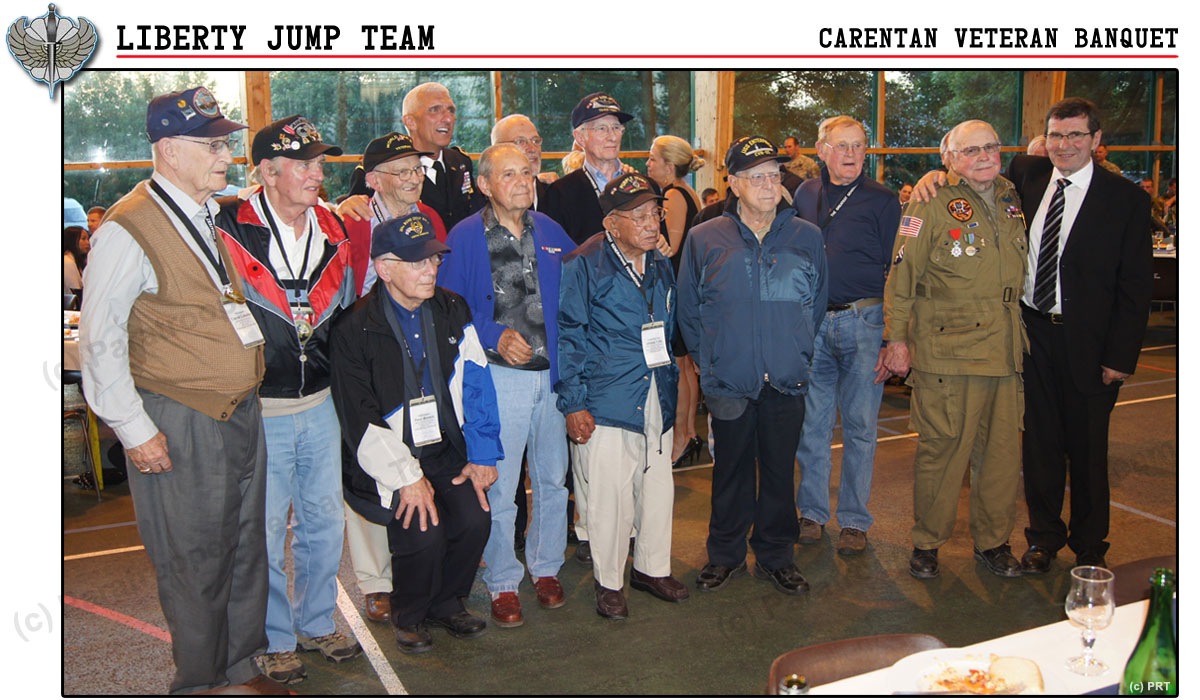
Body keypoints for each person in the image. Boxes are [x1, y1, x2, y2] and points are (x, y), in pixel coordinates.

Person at [79, 86, 278, 694]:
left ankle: (242, 668)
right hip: (181, 417)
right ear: (168, 150)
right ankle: (199, 684)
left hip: (238, 414)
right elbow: (99, 338)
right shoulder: (129, 226)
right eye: (211, 143)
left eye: (224, 141)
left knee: (246, 551)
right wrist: (135, 430)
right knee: (195, 562)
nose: (226, 154)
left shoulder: (200, 213)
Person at [215, 114, 361, 684]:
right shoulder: (226, 224)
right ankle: (275, 637)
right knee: (268, 527)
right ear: (268, 172)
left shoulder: (333, 227)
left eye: (320, 163)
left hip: (321, 400)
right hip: (260, 405)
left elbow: (345, 312)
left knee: (325, 521)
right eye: (304, 163)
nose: (317, 173)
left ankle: (317, 619)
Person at [331, 212, 503, 655]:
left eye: (434, 260)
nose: (431, 270)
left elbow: (477, 382)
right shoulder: (353, 328)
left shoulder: (452, 309)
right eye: (417, 262)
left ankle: (448, 603)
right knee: (422, 529)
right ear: (384, 269)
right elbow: (360, 417)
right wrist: (407, 476)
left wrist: (483, 453)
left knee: (474, 518)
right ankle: (409, 614)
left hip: (445, 447)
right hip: (388, 457)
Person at [677, 136, 827, 596]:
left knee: (781, 471)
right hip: (729, 379)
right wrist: (712, 360)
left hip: (786, 377)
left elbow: (816, 304)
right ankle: (725, 554)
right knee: (731, 472)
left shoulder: (807, 236)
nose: (769, 185)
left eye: (774, 176)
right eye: (757, 177)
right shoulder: (705, 238)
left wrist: (796, 350)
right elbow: (688, 308)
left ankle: (777, 555)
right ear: (734, 184)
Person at [1007, 98, 1151, 572]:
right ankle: (1043, 539)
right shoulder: (1026, 175)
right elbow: (966, 171)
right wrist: (934, 176)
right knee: (1040, 446)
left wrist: (1121, 356)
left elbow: (1135, 287)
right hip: (1033, 335)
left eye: (1074, 136)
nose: (1063, 145)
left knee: (1088, 449)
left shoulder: (1125, 200)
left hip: (1090, 345)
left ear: (1095, 141)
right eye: (1055, 135)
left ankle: (1090, 546)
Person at [881, 119, 1028, 581]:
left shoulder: (1011, 195)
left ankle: (993, 542)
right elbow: (901, 276)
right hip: (950, 350)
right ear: (949, 158)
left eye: (991, 147)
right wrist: (897, 340)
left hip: (1005, 350)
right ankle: (927, 543)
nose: (983, 156)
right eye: (970, 151)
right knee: (942, 452)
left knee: (1002, 456)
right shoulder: (927, 202)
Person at [437, 143, 576, 628]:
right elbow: (447, 311)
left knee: (554, 480)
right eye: (509, 174)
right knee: (501, 488)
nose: (522, 181)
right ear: (485, 185)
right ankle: (500, 580)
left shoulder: (554, 232)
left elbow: (579, 298)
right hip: (500, 379)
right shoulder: (465, 237)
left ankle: (546, 567)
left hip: (552, 381)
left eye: (527, 172)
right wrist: (494, 336)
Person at [557, 172, 688, 618]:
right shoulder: (584, 264)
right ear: (612, 224)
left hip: (655, 390)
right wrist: (573, 402)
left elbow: (668, 333)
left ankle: (652, 567)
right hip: (606, 398)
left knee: (656, 484)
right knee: (610, 495)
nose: (652, 224)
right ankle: (609, 581)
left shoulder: (661, 263)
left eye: (655, 213)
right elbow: (569, 336)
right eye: (640, 216)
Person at [792, 116, 901, 556]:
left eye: (858, 145)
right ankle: (812, 514)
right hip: (814, 324)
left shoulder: (883, 199)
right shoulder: (806, 193)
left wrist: (893, 337)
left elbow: (899, 269)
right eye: (842, 146)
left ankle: (854, 520)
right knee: (812, 427)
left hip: (865, 323)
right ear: (822, 150)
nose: (852, 153)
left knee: (860, 428)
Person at [645, 135, 705, 469]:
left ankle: (682, 437)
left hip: (680, 290)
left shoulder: (674, 195)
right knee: (685, 368)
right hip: (685, 289)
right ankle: (687, 434)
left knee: (681, 367)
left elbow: (670, 247)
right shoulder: (686, 191)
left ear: (669, 165)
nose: (648, 165)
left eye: (653, 159)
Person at [340, 132, 449, 296]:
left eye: (418, 169)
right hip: (368, 315)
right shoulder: (354, 222)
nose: (415, 179)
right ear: (375, 181)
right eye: (403, 172)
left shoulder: (430, 217)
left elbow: (444, 276)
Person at [543, 92, 636, 245]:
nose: (612, 137)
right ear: (580, 138)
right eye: (602, 129)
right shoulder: (560, 193)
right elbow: (555, 251)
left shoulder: (640, 184)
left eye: (616, 127)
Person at [402, 82, 485, 231]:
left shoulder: (460, 162)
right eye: (435, 110)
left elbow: (475, 213)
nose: (448, 119)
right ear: (411, 122)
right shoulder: (388, 171)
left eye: (451, 111)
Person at [491, 114, 550, 210]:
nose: (532, 149)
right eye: (520, 141)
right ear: (497, 149)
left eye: (535, 141)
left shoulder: (556, 195)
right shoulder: (482, 200)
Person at [63, 225, 89, 294]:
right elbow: (75, 291)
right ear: (72, 240)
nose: (87, 243)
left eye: (88, 239)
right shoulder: (67, 261)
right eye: (83, 239)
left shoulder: (77, 260)